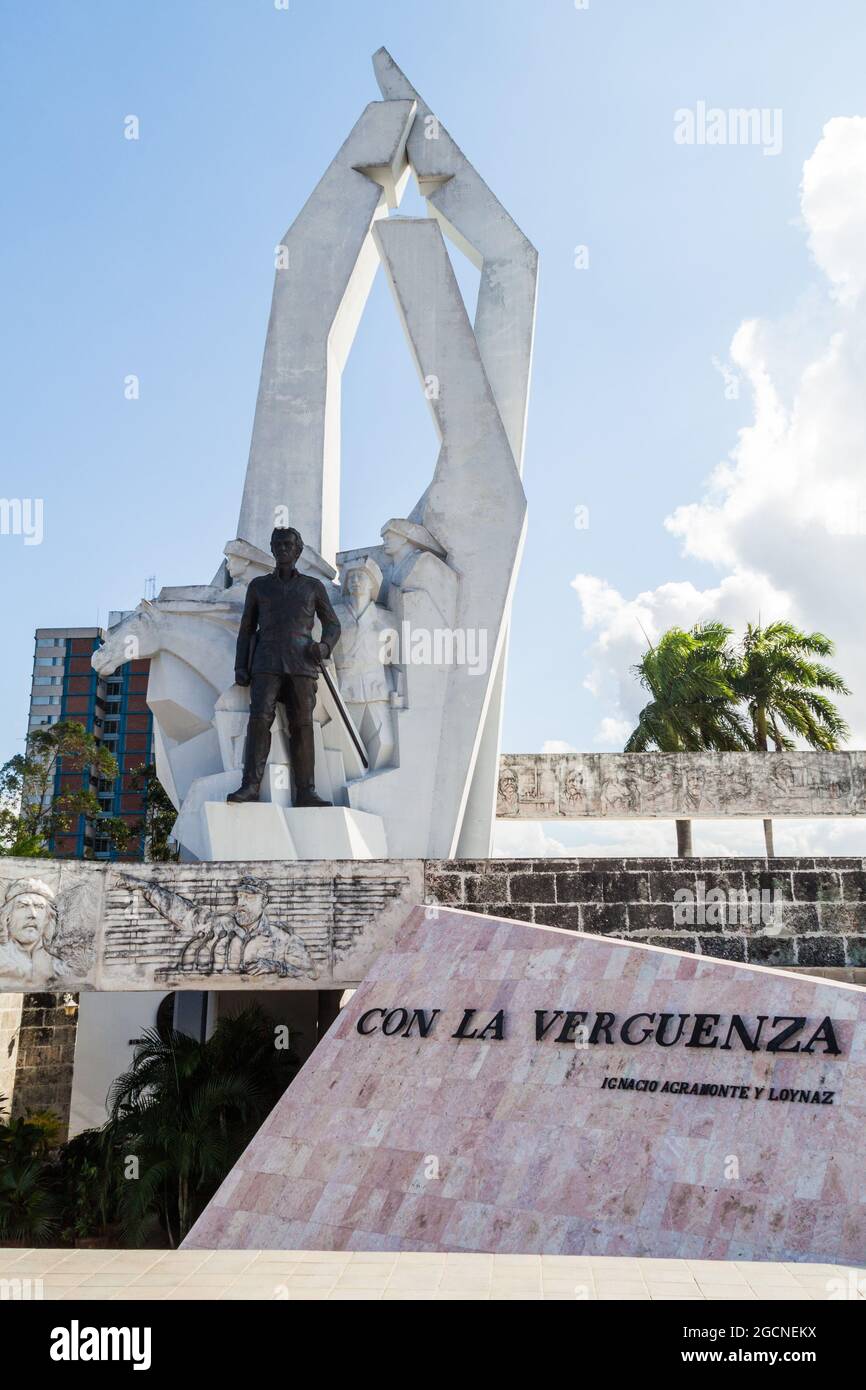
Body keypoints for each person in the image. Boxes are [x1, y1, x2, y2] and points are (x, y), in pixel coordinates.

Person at [228, 526, 341, 806]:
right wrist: (240, 666)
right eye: (277, 544)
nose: (283, 549)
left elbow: (333, 625)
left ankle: (306, 792)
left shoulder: (313, 587)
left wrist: (325, 647)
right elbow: (246, 628)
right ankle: (250, 786)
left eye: (288, 545)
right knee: (259, 721)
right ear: (272, 548)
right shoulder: (259, 586)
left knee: (302, 726)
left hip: (302, 664)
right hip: (266, 662)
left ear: (298, 550)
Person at [333, 556, 397, 769]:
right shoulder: (336, 615)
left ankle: (374, 785)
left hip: (376, 688)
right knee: (345, 744)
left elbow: (393, 660)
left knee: (385, 742)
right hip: (346, 687)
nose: (356, 581)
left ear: (373, 584)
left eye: (361, 577)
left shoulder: (385, 618)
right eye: (351, 577)